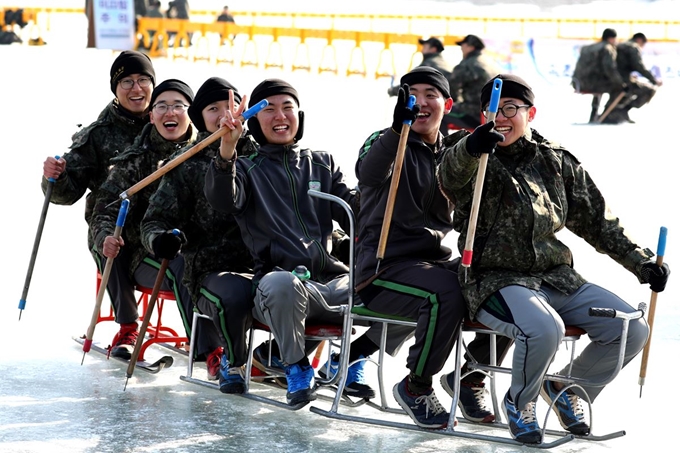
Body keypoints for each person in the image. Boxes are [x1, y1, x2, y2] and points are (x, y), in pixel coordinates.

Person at [437, 73, 670, 443]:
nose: (500, 117)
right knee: (545, 329)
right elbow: (448, 175)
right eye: (493, 109)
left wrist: (641, 262)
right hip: (494, 278)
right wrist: (472, 148)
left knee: (630, 327)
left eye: (510, 109)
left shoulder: (555, 161)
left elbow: (597, 221)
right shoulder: (472, 151)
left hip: (555, 277)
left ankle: (567, 389)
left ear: (531, 112)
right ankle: (520, 401)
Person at [204, 79, 377, 407]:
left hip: (332, 283)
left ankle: (352, 358)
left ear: (300, 115)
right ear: (255, 121)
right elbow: (223, 199)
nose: (280, 116)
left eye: (287, 107)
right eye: (268, 109)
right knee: (283, 283)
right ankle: (297, 367)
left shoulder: (321, 163)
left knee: (401, 284)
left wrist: (378, 180)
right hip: (279, 286)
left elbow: (356, 212)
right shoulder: (246, 169)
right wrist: (227, 149)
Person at [355, 66, 509, 429]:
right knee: (446, 293)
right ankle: (416, 385)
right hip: (384, 268)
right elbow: (368, 174)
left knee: (505, 282)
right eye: (412, 95)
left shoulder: (455, 151)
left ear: (448, 104)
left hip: (436, 263)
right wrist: (397, 133)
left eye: (430, 95)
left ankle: (470, 374)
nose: (421, 103)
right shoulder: (383, 140)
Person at [141, 77, 259, 392]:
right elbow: (153, 220)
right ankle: (215, 353)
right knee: (226, 292)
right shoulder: (187, 162)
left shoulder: (261, 154)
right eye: (213, 109)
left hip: (263, 260)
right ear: (200, 118)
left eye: (230, 106)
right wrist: (161, 238)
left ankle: (272, 358)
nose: (224, 115)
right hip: (210, 263)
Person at [41, 50, 156, 358]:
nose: (137, 89)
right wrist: (56, 177)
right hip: (114, 222)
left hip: (160, 220)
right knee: (111, 244)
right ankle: (128, 326)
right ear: (115, 90)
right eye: (127, 82)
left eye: (144, 80)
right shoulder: (98, 135)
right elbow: (66, 193)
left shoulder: (169, 122)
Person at [89, 78, 197, 360]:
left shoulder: (207, 153)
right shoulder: (133, 161)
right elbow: (104, 209)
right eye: (162, 106)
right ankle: (128, 327)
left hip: (200, 249)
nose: (170, 113)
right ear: (152, 115)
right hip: (144, 254)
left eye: (178, 106)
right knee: (115, 248)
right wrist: (105, 237)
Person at [442, 34, 501, 134]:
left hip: (473, 114)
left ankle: (439, 148)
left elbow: (451, 89)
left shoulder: (468, 64)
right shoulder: (491, 63)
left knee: (439, 112)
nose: (461, 48)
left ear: (470, 47)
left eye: (462, 46)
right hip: (492, 115)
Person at [571, 28, 626, 123]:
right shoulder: (607, 48)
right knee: (620, 88)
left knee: (600, 86)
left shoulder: (587, 47)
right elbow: (610, 69)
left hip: (578, 82)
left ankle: (594, 115)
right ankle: (606, 116)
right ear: (612, 38)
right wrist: (621, 83)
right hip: (594, 84)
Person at [614, 32, 662, 123]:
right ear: (639, 40)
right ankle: (624, 110)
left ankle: (620, 111)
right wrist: (653, 80)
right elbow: (639, 66)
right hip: (623, 80)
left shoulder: (620, 45)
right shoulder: (633, 47)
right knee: (649, 90)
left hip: (614, 78)